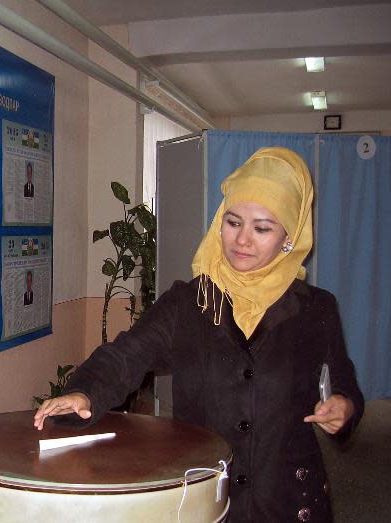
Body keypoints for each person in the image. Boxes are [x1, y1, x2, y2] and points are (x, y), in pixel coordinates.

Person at [34, 148, 364, 523]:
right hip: (207, 496)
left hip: (286, 500)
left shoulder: (316, 309)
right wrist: (85, 391)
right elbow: (128, 354)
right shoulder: (189, 302)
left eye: (262, 228)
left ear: (289, 237)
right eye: (233, 222)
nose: (242, 240)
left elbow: (345, 386)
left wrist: (345, 409)